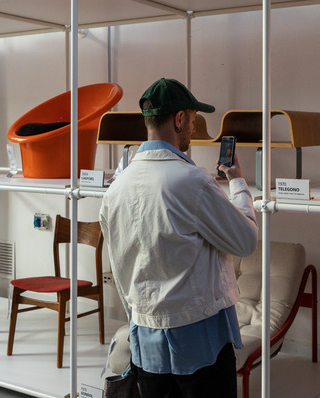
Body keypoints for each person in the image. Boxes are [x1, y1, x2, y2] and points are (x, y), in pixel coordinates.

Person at [99, 78, 258, 397]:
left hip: (145, 341)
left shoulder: (116, 188)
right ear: (180, 119)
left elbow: (119, 268)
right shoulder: (192, 182)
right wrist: (237, 183)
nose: (194, 129)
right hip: (199, 343)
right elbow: (245, 242)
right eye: (194, 120)